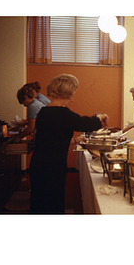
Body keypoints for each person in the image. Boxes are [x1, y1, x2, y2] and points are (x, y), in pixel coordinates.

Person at [29, 73, 109, 214]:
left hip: (40, 165)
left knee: (39, 204)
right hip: (51, 168)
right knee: (52, 205)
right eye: (73, 92)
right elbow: (84, 123)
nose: (73, 98)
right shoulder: (61, 113)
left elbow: (53, 139)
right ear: (66, 93)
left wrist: (76, 140)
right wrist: (100, 117)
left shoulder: (44, 111)